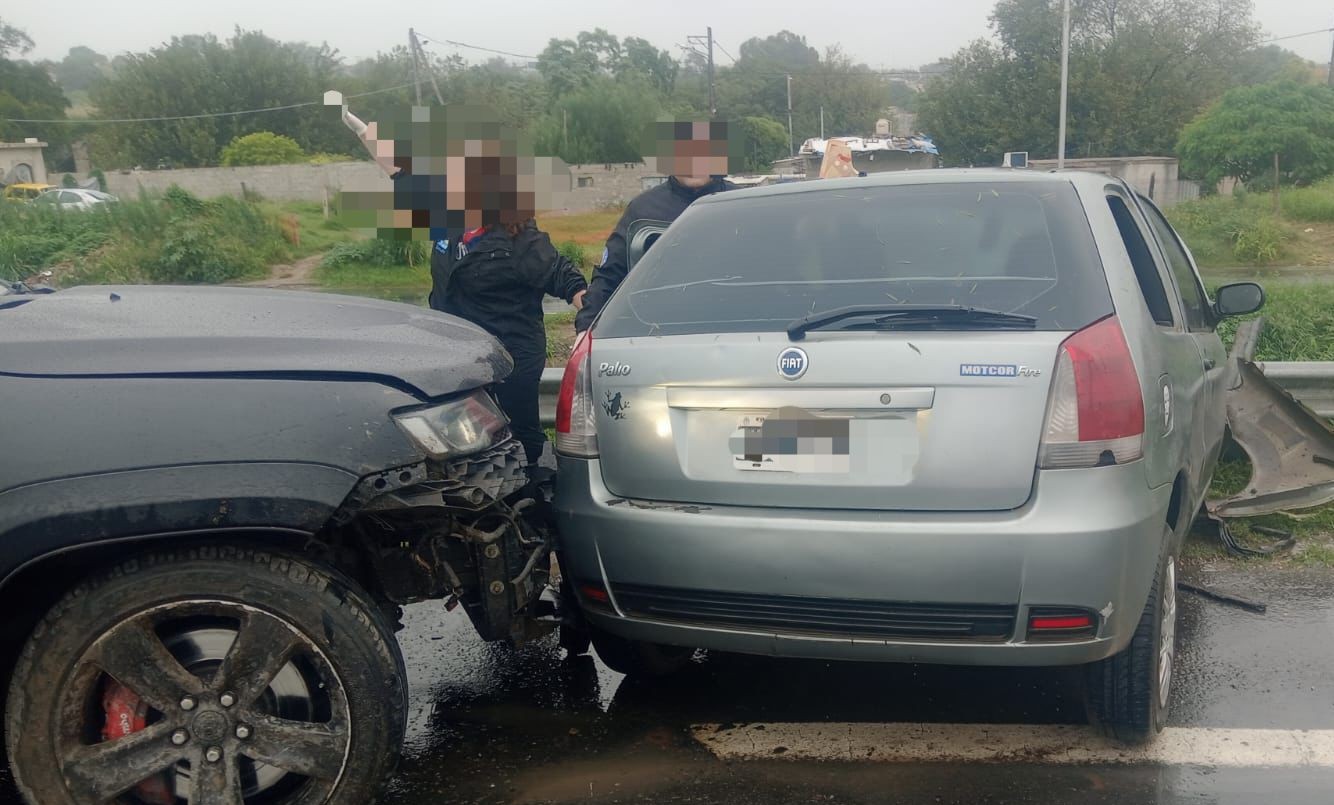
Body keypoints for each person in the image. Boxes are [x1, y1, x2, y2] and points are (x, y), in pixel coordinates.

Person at [333, 96, 585, 466]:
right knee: (461, 440)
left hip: (508, 359)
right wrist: (354, 123)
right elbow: (397, 170)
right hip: (454, 354)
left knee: (518, 435)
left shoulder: (522, 239)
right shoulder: (446, 220)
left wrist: (590, 317)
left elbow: (569, 280)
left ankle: (532, 495)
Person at [574, 121, 737, 333]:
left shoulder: (741, 204)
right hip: (657, 333)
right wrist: (586, 329)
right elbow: (609, 275)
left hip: (730, 328)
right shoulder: (643, 210)